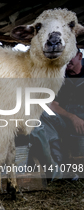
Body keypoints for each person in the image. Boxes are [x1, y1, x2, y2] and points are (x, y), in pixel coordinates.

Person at [30, 48, 84, 179]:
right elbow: (51, 104)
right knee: (40, 112)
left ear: (79, 56)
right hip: (64, 120)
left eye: (70, 56)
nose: (66, 60)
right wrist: (72, 117)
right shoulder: (56, 76)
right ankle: (58, 161)